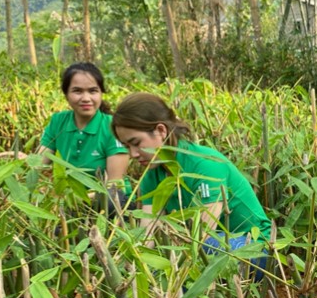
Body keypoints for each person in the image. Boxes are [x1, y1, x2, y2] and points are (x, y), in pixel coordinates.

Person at [111, 92, 272, 255]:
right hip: (205, 245)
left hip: (253, 247)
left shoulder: (205, 165)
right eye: (126, 147)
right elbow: (148, 234)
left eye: (136, 143)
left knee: (208, 245)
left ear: (161, 130)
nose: (133, 154)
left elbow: (202, 234)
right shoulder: (152, 174)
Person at [38, 62, 129, 213]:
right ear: (66, 95)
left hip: (105, 202)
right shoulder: (58, 121)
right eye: (77, 91)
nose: (86, 98)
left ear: (101, 93)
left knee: (112, 200)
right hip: (68, 202)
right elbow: (39, 165)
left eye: (93, 91)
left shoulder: (113, 126)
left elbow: (114, 185)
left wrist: (71, 199)